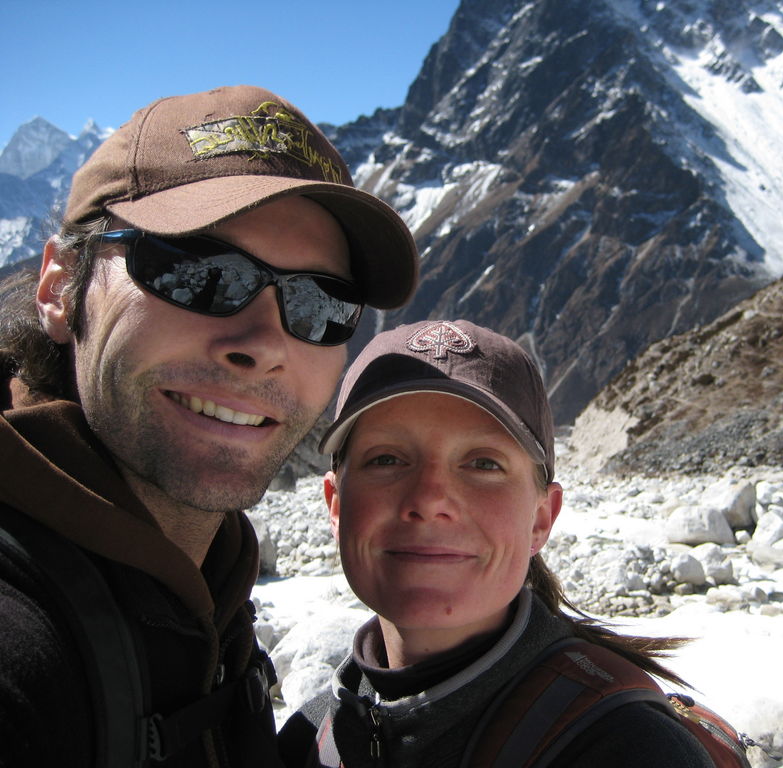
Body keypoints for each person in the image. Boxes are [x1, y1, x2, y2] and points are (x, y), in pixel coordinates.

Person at [0, 85, 418, 767]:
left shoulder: (206, 582)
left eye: (319, 305)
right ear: (59, 287)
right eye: (198, 273)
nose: (262, 342)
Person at [277, 319, 715, 768]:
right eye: (386, 459)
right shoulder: (306, 740)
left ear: (541, 518)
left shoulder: (632, 750)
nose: (429, 500)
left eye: (483, 464)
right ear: (335, 504)